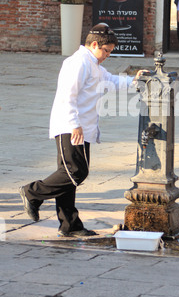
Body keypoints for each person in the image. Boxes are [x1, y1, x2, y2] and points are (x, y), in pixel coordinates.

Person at [19, 24, 145, 238]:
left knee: (70, 174)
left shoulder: (93, 64)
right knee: (76, 172)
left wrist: (135, 81)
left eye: (110, 52)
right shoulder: (77, 63)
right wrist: (73, 123)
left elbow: (111, 81)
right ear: (94, 44)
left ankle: (70, 225)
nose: (107, 55)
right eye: (106, 51)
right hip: (72, 126)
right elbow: (68, 95)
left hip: (82, 127)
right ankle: (32, 192)